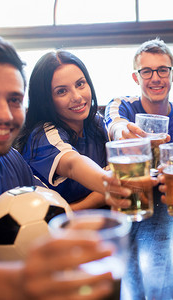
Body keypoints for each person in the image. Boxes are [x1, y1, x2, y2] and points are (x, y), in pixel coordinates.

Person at [0, 34, 118, 299]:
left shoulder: (12, 161)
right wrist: (20, 282)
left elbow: (50, 210)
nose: (4, 114)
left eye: (14, 100)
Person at [15, 50, 109, 210]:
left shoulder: (95, 122)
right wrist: (105, 193)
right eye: (61, 91)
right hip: (50, 230)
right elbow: (73, 164)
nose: (77, 96)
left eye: (80, 84)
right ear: (46, 100)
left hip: (93, 222)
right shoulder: (43, 135)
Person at [104, 38, 173, 142]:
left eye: (162, 70)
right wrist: (122, 132)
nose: (155, 79)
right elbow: (116, 126)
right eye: (146, 71)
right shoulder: (121, 104)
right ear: (136, 78)